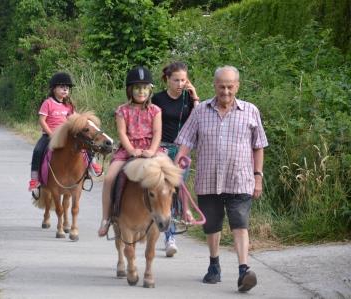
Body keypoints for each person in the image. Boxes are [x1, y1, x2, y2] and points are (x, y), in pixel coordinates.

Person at [174, 66, 268, 293]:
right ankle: (214, 265)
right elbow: (186, 140)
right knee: (212, 225)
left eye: (230, 86)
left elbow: (258, 146)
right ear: (214, 85)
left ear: (237, 86)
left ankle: (243, 270)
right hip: (209, 179)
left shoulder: (250, 111)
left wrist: (258, 177)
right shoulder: (200, 111)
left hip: (240, 179)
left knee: (240, 223)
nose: (225, 91)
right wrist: (178, 161)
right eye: (221, 86)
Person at [98, 66, 163, 237]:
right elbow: (121, 133)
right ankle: (106, 218)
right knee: (110, 178)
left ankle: (174, 212)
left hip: (151, 148)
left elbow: (157, 133)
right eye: (137, 88)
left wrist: (151, 150)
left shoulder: (155, 110)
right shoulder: (122, 110)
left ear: (150, 90)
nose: (141, 92)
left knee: (170, 174)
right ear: (130, 90)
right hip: (128, 149)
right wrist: (132, 150)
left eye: (144, 88)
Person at [152, 61, 199, 257]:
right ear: (167, 80)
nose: (180, 84)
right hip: (162, 147)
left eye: (184, 80)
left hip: (182, 149)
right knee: (165, 189)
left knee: (179, 184)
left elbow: (198, 119)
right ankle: (167, 234)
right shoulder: (158, 98)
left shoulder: (188, 99)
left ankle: (178, 222)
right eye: (176, 80)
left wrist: (195, 96)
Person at [28, 72, 76, 196]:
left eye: (67, 87)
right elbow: (42, 120)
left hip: (65, 136)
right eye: (61, 86)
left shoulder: (69, 105)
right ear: (54, 89)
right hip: (49, 136)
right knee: (38, 151)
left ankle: (91, 167)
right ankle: (34, 180)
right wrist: (50, 134)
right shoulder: (48, 103)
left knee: (85, 146)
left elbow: (74, 120)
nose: (65, 89)